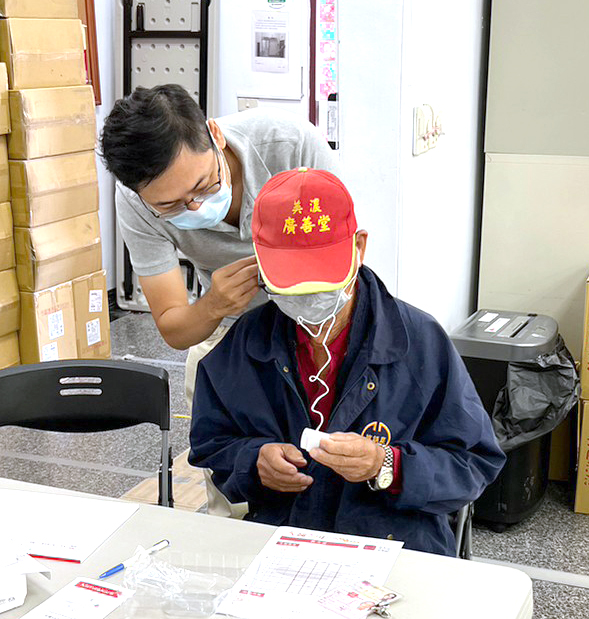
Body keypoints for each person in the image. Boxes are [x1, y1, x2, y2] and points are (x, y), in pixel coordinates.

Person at [189, 167, 506, 555]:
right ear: (260, 261)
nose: (308, 298)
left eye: (322, 279)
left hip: (397, 544)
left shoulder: (419, 342)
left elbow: (474, 462)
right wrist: (253, 461)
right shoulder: (245, 345)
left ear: (359, 246)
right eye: (291, 282)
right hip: (285, 542)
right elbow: (211, 442)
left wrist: (386, 465)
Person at [99, 85, 339, 409]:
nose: (196, 208)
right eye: (171, 206)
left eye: (204, 185)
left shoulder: (288, 145)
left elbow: (339, 262)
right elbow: (174, 328)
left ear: (215, 134)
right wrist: (213, 304)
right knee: (220, 436)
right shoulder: (135, 203)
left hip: (318, 319)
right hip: (229, 327)